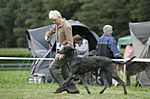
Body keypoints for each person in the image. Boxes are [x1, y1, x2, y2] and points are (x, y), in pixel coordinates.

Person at [45, 10, 79, 93]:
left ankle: (62, 85)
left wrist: (62, 53)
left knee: (52, 68)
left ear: (59, 17)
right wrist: (47, 35)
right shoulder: (57, 24)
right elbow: (52, 30)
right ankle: (73, 90)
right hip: (60, 51)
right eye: (52, 20)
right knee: (65, 72)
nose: (53, 22)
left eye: (54, 20)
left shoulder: (66, 26)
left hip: (66, 52)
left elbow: (70, 43)